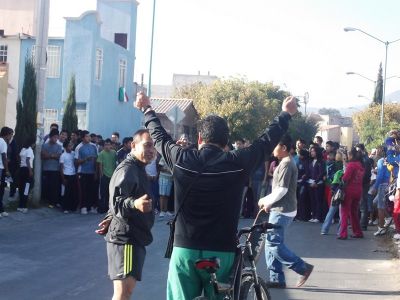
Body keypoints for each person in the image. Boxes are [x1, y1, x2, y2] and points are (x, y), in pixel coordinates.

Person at [135, 92, 297, 299]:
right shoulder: (238, 162)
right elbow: (265, 142)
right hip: (222, 251)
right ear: (226, 141)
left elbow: (159, 136)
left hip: (185, 249)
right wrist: (285, 114)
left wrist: (147, 109)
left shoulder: (181, 158)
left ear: (200, 138)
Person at [97, 129, 155, 300]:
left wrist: (109, 217)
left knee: (126, 292)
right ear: (133, 146)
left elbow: (114, 201)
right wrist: (135, 204)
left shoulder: (138, 168)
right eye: (147, 145)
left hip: (134, 237)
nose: (151, 150)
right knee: (123, 293)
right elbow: (117, 201)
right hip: (126, 240)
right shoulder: (128, 169)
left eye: (154, 146)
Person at [258, 134, 314, 289]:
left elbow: (281, 190)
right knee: (271, 244)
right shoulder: (284, 162)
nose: (273, 149)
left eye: (275, 145)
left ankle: (302, 267)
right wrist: (270, 203)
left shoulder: (287, 164)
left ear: (283, 148)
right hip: (279, 208)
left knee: (274, 243)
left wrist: (265, 200)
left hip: (283, 210)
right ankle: (276, 278)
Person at [338, 147, 365, 239]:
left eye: (348, 154)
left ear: (351, 155)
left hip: (349, 190)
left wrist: (341, 176)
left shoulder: (351, 165)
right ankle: (358, 232)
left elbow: (345, 178)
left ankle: (343, 234)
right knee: (354, 212)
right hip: (358, 190)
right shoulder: (360, 165)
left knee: (344, 212)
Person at [75, 130, 98, 215]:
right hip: (82, 172)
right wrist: (85, 159)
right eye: (87, 136)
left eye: (89, 136)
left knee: (91, 190)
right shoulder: (79, 147)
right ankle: (83, 207)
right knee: (83, 190)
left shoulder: (94, 146)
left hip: (92, 172)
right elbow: (76, 161)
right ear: (82, 138)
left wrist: (96, 172)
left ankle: (91, 207)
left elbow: (96, 160)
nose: (89, 138)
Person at [371, 148, 391, 236]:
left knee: (380, 206)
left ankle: (381, 227)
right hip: (389, 185)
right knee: (375, 203)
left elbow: (380, 175)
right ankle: (388, 217)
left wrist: (375, 187)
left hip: (382, 185)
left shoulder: (381, 161)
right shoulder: (393, 161)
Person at [41, 129, 63, 208]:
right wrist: (53, 155)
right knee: (46, 186)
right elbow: (43, 156)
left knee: (54, 187)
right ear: (50, 137)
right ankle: (45, 200)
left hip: (55, 170)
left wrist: (49, 155)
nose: (56, 139)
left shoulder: (59, 146)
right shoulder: (44, 145)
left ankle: (52, 202)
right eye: (54, 137)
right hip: (46, 169)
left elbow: (58, 156)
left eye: (57, 137)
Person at [97, 138, 117, 214]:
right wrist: (101, 175)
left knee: (111, 193)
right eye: (105, 145)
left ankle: (110, 209)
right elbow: (100, 165)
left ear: (111, 145)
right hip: (105, 176)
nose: (107, 146)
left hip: (112, 177)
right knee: (103, 193)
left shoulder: (114, 153)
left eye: (108, 144)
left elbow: (116, 163)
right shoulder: (101, 153)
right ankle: (102, 208)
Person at [306, 145, 326, 223]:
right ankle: (313, 215)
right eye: (311, 151)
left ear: (317, 152)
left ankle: (318, 216)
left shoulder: (321, 162)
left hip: (318, 184)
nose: (311, 153)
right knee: (312, 200)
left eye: (313, 151)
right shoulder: (311, 161)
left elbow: (321, 173)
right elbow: (309, 173)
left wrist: (316, 182)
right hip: (310, 183)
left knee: (318, 200)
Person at [17, 137, 35, 213]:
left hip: (21, 169)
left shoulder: (23, 149)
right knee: (26, 189)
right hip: (28, 170)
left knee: (21, 188)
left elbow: (19, 157)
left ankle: (20, 206)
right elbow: (28, 160)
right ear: (32, 143)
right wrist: (30, 171)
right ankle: (24, 206)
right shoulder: (30, 150)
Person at [60, 140, 78, 213]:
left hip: (73, 174)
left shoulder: (73, 153)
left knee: (72, 192)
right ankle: (65, 208)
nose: (71, 147)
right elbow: (61, 167)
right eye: (69, 146)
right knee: (66, 193)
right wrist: (63, 178)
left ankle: (72, 207)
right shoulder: (63, 155)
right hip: (66, 175)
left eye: (71, 146)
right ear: (66, 147)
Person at [0, 127, 14, 217]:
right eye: (11, 135)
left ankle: (1, 210)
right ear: (7, 134)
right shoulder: (3, 142)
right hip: (1, 168)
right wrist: (7, 170)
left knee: (1, 190)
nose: (11, 137)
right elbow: (4, 157)